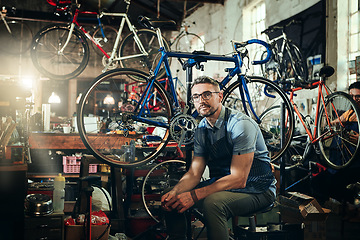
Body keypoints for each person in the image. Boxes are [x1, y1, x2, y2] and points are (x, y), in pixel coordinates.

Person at [161, 76, 276, 240]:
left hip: (257, 188)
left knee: (213, 203)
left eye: (207, 94)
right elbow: (194, 173)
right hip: (225, 185)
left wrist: (194, 195)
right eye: (196, 96)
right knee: (172, 197)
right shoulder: (201, 129)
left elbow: (239, 179)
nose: (201, 100)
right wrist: (176, 191)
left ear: (220, 96)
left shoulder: (240, 125)